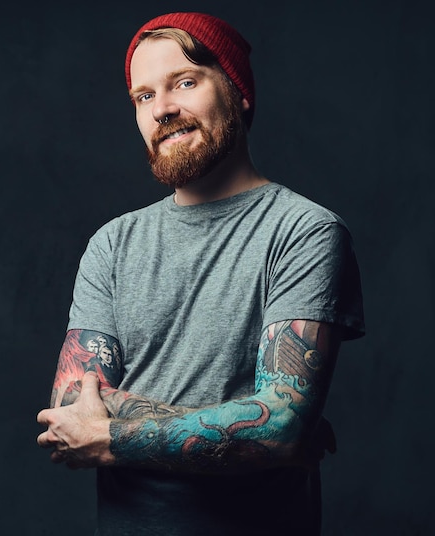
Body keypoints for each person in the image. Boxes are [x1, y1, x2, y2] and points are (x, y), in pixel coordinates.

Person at [37, 11, 365, 536]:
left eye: (184, 82)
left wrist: (114, 434)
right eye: (143, 96)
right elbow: (72, 401)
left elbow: (279, 426)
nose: (162, 109)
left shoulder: (304, 231)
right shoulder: (112, 244)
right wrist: (254, 426)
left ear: (239, 92)